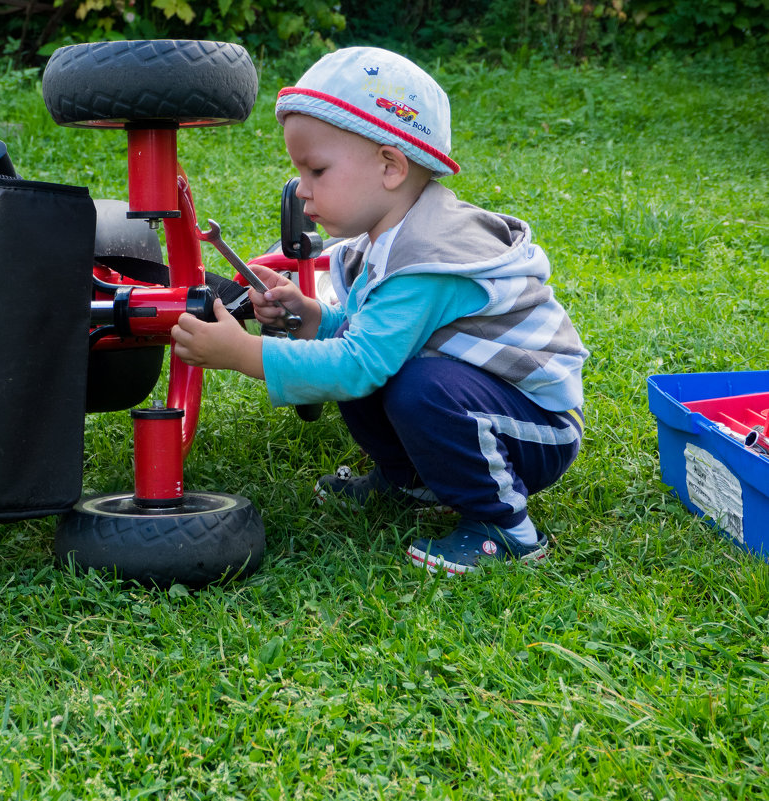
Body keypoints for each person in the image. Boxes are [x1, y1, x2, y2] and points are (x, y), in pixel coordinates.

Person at [170, 46, 588, 575]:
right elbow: (373, 336)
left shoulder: (428, 258)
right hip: (481, 400)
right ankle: (410, 480)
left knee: (411, 386)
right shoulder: (387, 239)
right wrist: (312, 317)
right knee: (374, 367)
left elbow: (359, 362)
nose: (301, 188)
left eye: (316, 169)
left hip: (535, 426)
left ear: (391, 166)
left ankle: (506, 528)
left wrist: (243, 352)